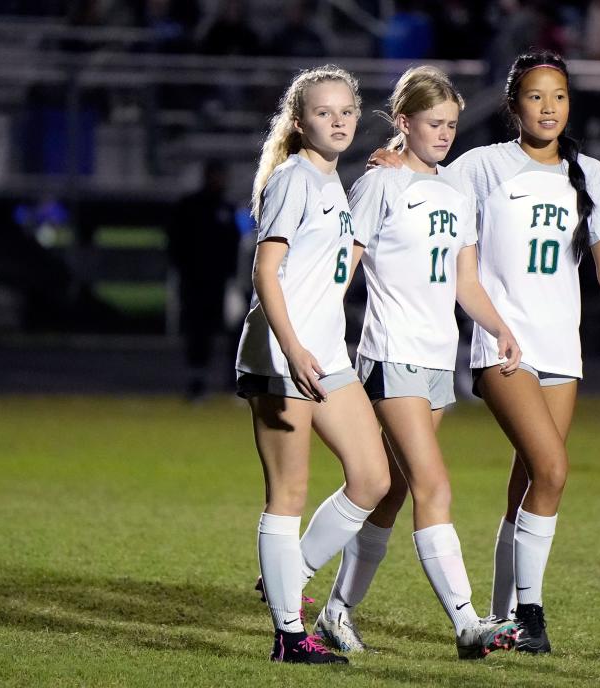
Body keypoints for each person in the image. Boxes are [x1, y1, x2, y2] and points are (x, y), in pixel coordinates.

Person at [368, 49, 600, 654]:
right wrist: (394, 160)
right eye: (535, 96)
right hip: (504, 349)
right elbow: (424, 179)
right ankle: (531, 616)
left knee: (529, 483)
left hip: (562, 352)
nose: (548, 108)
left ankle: (499, 619)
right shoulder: (484, 165)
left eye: (559, 96)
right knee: (552, 470)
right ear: (513, 105)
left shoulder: (591, 173)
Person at [310, 65, 523, 660]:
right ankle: (466, 623)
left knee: (392, 491)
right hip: (390, 353)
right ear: (403, 122)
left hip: (435, 360)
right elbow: (344, 264)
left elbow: (465, 281)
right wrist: (313, 329)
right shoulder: (380, 184)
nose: (446, 134)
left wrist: (499, 326)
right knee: (434, 485)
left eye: (453, 125)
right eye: (434, 124)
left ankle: (334, 612)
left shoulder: (456, 193)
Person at [236, 65, 391, 664]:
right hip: (284, 354)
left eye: (347, 111)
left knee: (373, 478)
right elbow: (265, 272)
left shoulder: (335, 185)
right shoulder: (293, 179)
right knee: (288, 493)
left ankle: (289, 572)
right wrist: (293, 346)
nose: (339, 121)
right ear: (300, 123)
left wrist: (394, 163)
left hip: (327, 354)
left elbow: (340, 259)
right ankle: (288, 635)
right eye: (324, 113)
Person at [167, 159, 240, 400]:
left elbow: (234, 245)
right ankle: (197, 380)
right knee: (198, 331)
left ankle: (233, 380)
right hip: (195, 281)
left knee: (235, 329)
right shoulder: (190, 206)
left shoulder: (227, 209)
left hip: (221, 282)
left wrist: (233, 278)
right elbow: (176, 242)